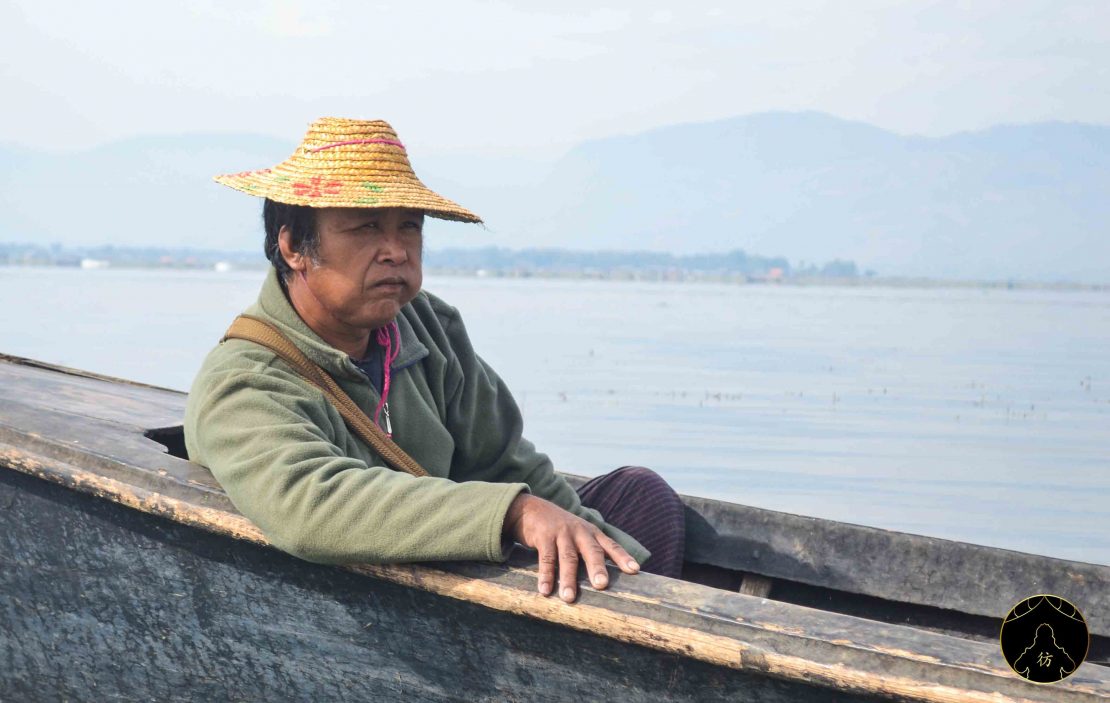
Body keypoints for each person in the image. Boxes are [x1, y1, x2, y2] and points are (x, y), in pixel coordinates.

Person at [184, 117, 685, 603]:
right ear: (294, 247)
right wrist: (513, 512)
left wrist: (605, 550)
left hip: (452, 564)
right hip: (363, 600)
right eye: (365, 227)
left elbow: (506, 461)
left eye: (409, 228)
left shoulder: (425, 325)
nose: (396, 252)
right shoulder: (245, 381)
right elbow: (312, 505)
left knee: (642, 497)